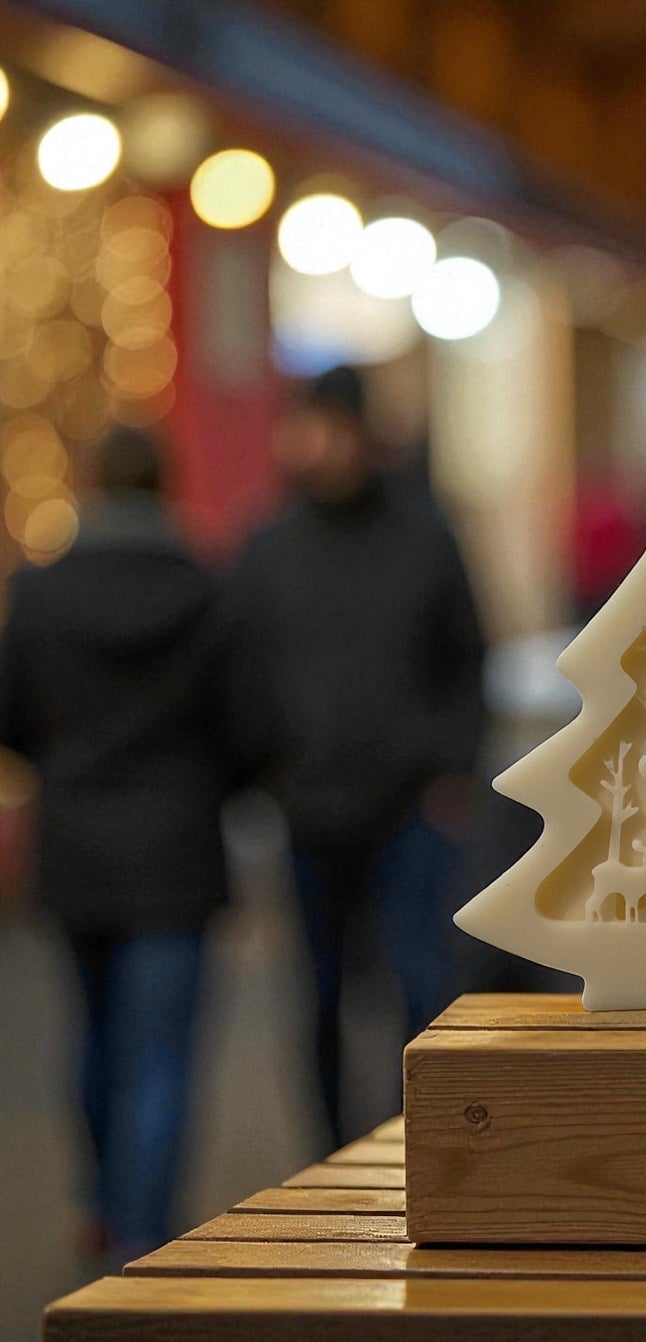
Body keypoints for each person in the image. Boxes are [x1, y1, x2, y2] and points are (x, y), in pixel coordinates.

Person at [229, 366, 486, 1148]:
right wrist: (266, 767)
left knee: (417, 984)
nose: (321, 446)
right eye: (309, 428)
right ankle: (328, 1153)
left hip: (408, 806)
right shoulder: (266, 548)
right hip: (306, 807)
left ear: (364, 436)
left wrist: (448, 764)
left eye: (336, 428)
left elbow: (467, 658)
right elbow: (240, 669)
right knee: (319, 995)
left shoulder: (424, 538)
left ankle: (419, 1144)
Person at [0, 427, 240, 1263]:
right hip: (176, 845)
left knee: (93, 1035)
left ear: (93, 486)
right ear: (165, 489)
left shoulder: (39, 592)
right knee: (161, 1051)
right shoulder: (208, 593)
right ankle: (145, 1229)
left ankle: (103, 1207)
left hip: (75, 846)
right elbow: (243, 722)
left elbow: (11, 715)